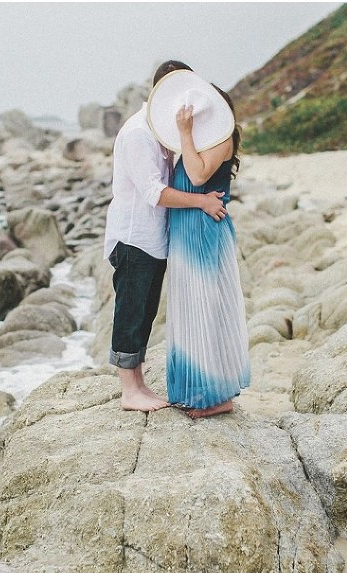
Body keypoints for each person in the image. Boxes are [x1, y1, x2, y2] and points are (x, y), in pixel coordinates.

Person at [104, 60, 228, 412]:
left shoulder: (160, 133)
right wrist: (202, 202)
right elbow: (154, 192)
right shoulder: (137, 134)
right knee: (130, 311)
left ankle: (139, 384)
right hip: (134, 237)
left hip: (154, 238)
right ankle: (129, 390)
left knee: (145, 311)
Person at [156, 76, 250, 416]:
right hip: (187, 232)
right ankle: (195, 392)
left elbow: (197, 178)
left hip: (205, 234)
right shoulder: (202, 141)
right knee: (189, 309)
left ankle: (216, 397)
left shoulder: (220, 140)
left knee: (207, 311)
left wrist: (183, 134)